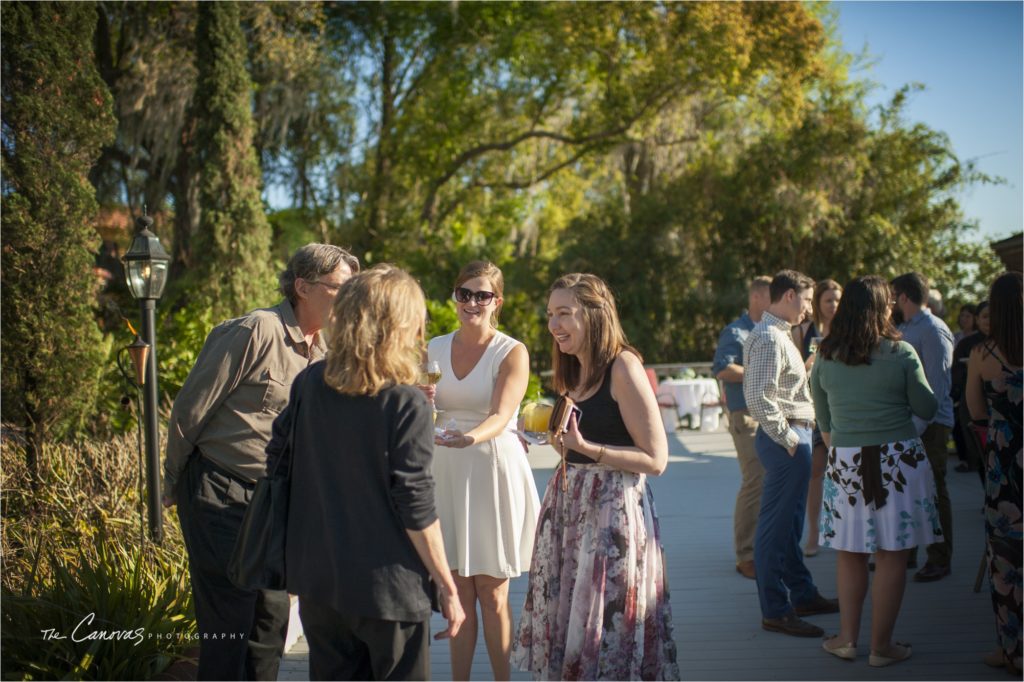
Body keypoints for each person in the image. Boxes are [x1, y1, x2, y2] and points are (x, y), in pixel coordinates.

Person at [163, 244, 358, 680]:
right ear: (303, 287)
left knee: (270, 622)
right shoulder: (255, 330)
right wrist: (171, 483)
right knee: (229, 626)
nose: (347, 300)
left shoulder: (326, 352)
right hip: (218, 490)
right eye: (339, 289)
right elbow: (189, 411)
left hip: (274, 502)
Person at [269, 264, 465, 680]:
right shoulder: (405, 402)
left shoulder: (309, 383)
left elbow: (279, 463)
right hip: (389, 589)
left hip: (321, 582)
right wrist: (447, 585)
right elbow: (415, 503)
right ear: (400, 325)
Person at [512, 273, 679, 680]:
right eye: (551, 314)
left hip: (612, 518)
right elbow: (576, 446)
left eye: (565, 313)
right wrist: (556, 441)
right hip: (571, 513)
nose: (554, 325)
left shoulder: (624, 366)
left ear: (594, 314)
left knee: (607, 625)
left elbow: (656, 459)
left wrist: (587, 449)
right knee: (574, 621)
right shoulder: (573, 372)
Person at [809, 276, 941, 668]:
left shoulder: (825, 355)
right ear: (883, 309)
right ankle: (882, 647)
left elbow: (825, 421)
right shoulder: (902, 354)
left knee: (850, 553)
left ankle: (847, 639)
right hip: (898, 459)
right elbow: (928, 408)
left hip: (847, 459)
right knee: (892, 554)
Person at [423, 261, 540, 680]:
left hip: (491, 469)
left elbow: (502, 413)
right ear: (454, 298)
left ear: (497, 302)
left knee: (492, 593)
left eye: (482, 295)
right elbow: (420, 406)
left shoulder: (511, 351)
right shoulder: (432, 347)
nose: (472, 302)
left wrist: (470, 438)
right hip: (445, 473)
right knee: (456, 589)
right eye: (464, 293)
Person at [743, 269, 838, 638]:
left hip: (792, 436)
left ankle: (802, 594)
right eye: (808, 299)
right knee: (775, 528)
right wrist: (788, 438)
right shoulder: (769, 337)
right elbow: (759, 396)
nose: (810, 308)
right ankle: (776, 609)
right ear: (788, 297)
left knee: (790, 524)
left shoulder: (778, 334)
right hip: (786, 439)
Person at [965, 271, 1022, 675]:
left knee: (1005, 560)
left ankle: (1009, 649)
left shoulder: (984, 355)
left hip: (1004, 468)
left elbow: (976, 412)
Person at [891, 272, 955, 583]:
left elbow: (937, 388)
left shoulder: (933, 330)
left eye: (893, 295)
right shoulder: (902, 328)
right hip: (908, 425)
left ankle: (940, 558)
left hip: (930, 425)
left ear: (903, 296)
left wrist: (915, 426)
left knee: (933, 491)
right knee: (909, 492)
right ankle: (910, 552)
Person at [712, 275, 771, 580]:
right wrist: (761, 371)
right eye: (772, 296)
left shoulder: (775, 331)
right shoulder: (735, 332)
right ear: (758, 297)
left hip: (774, 415)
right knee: (755, 481)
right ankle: (746, 555)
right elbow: (722, 368)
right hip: (747, 416)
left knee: (770, 482)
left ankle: (766, 549)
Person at [802, 279, 842, 558]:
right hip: (814, 406)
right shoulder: (806, 330)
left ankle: (843, 529)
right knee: (815, 472)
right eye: (828, 300)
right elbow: (795, 365)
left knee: (845, 470)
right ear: (818, 302)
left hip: (841, 405)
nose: (834, 305)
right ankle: (814, 532)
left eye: (838, 300)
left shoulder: (848, 330)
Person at [953, 301, 989, 475]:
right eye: (985, 316)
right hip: (971, 401)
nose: (989, 321)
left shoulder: (1007, 341)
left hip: (998, 405)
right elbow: (955, 372)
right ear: (978, 319)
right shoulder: (967, 344)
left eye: (992, 317)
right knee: (979, 452)